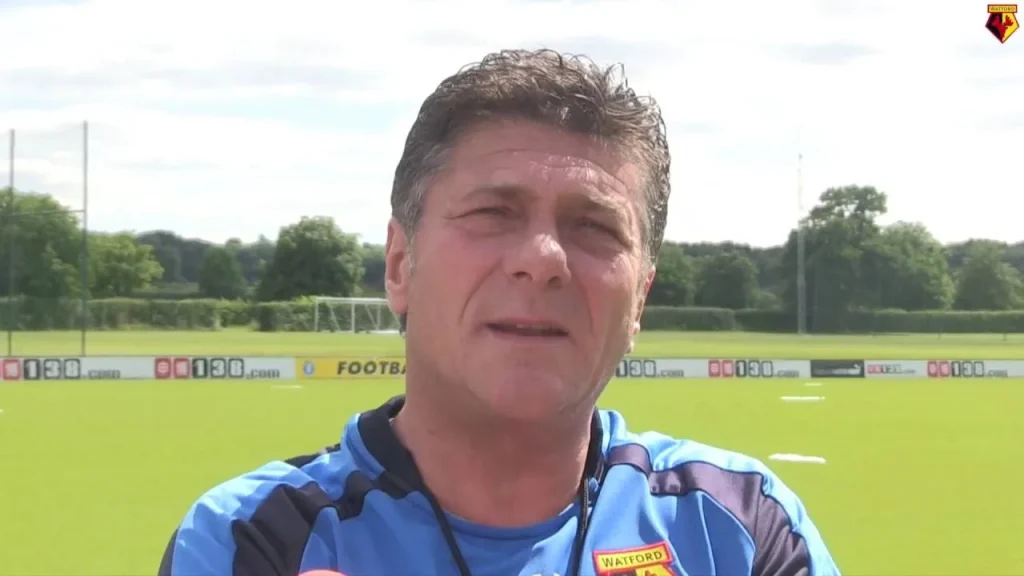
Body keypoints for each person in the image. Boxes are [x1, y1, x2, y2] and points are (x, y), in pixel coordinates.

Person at [158, 49, 840, 576]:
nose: (542, 259)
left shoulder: (739, 526)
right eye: (492, 212)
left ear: (639, 299)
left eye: (594, 226)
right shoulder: (256, 540)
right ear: (399, 264)